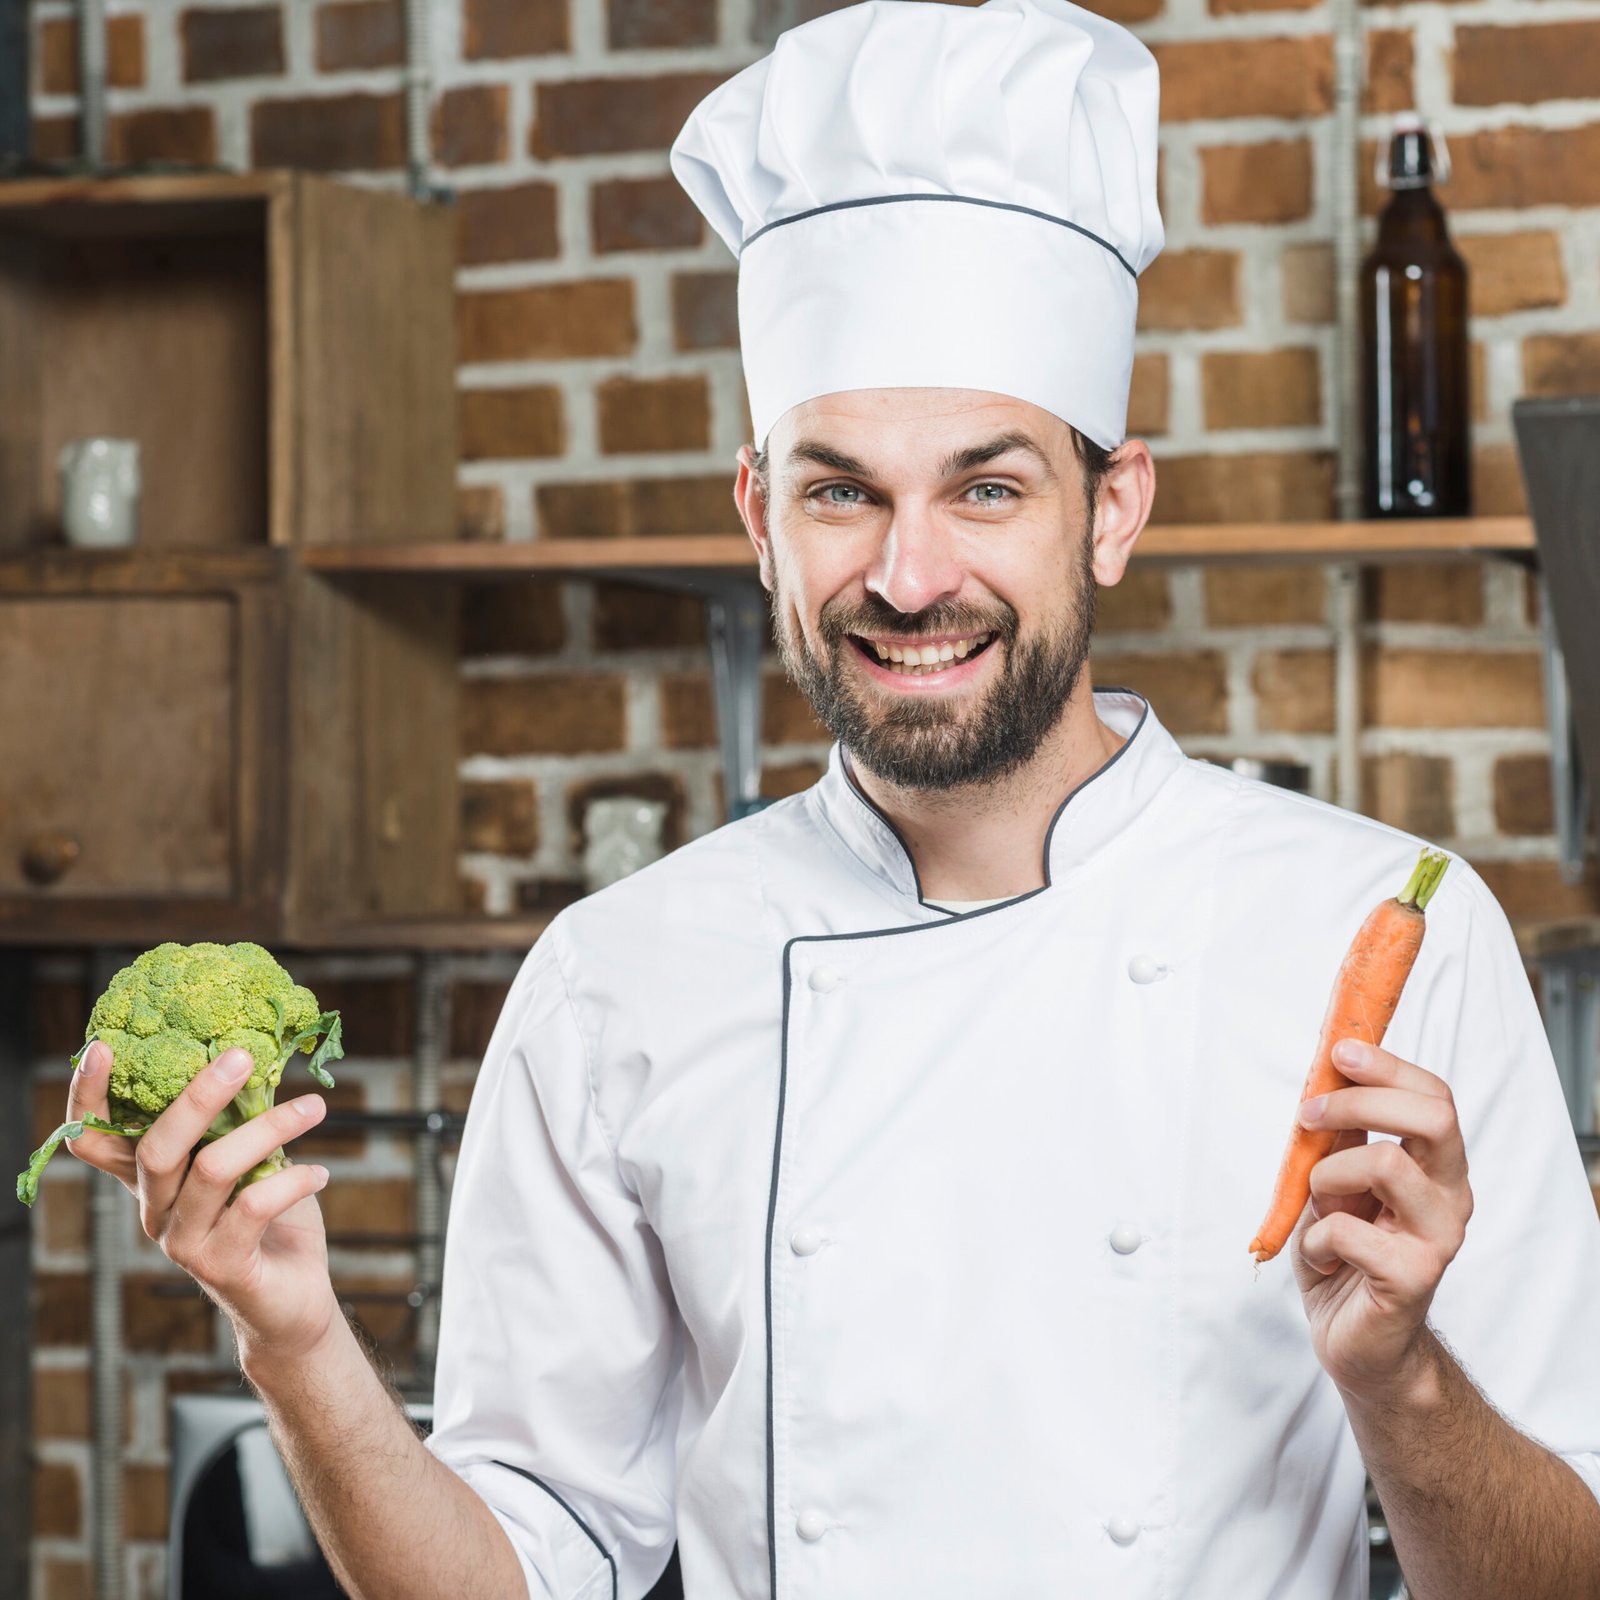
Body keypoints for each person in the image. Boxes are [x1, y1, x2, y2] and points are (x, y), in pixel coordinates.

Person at [64, 2, 1600, 1597]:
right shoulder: (614, 983)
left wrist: (1403, 1382)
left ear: (1113, 509)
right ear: (759, 514)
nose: (909, 574)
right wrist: (296, 1340)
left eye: (987, 487)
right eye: (840, 490)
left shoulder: (1382, 940)